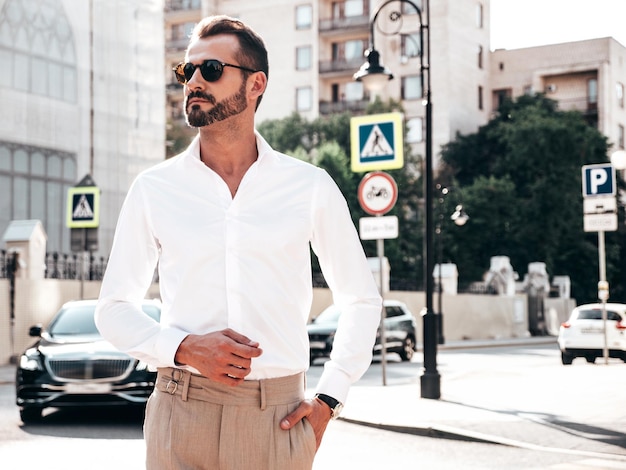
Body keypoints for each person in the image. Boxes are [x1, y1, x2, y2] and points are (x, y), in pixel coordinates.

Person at [95, 14, 382, 470]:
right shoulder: (154, 188)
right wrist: (184, 347)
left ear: (255, 85)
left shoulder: (308, 186)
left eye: (210, 70)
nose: (194, 82)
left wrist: (330, 398)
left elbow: (362, 300)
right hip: (179, 414)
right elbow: (112, 308)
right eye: (186, 71)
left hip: (277, 419)